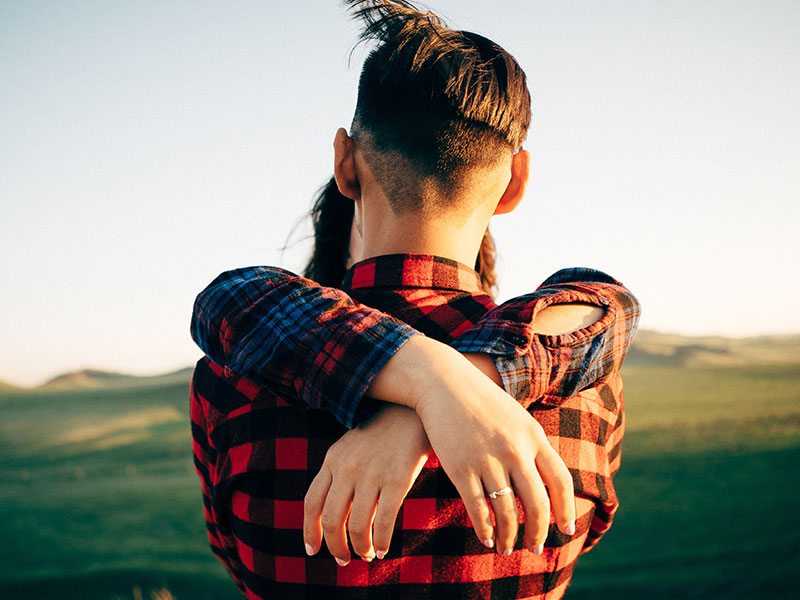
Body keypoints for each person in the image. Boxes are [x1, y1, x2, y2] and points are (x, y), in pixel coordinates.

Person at [190, 1, 640, 598]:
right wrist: (439, 385)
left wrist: (429, 395)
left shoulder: (234, 378)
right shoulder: (585, 390)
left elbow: (231, 553)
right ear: (515, 181)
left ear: (345, 164)